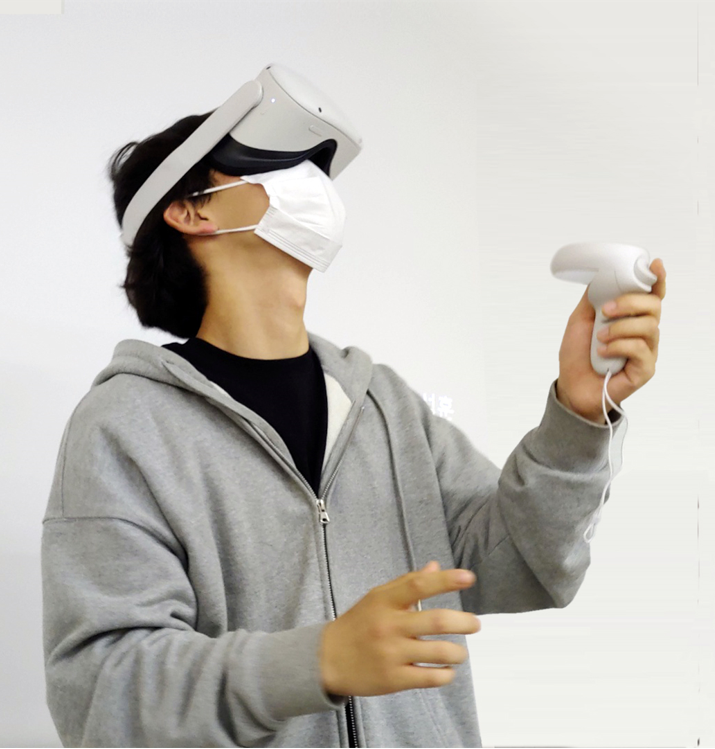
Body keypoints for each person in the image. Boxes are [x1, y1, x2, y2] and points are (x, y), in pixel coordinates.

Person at [41, 110, 662, 747]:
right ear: (191, 209)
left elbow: (528, 565)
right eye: (274, 164)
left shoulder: (382, 406)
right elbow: (99, 693)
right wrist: (318, 662)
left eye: (314, 169)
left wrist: (579, 413)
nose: (311, 183)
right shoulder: (126, 427)